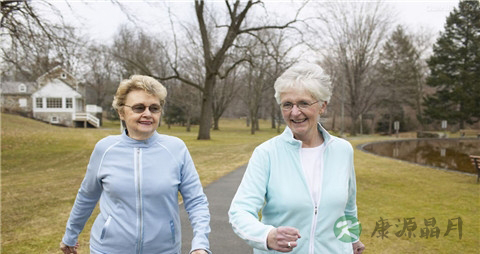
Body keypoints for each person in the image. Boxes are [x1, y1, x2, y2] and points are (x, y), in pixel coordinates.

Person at [60, 75, 211, 254]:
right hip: (108, 250)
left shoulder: (176, 149)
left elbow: (196, 201)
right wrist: (70, 235)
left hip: (164, 250)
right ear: (122, 112)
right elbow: (87, 196)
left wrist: (200, 244)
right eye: (139, 107)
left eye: (154, 108)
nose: (147, 114)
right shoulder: (105, 149)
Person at [228, 63, 365, 254]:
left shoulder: (343, 151)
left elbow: (348, 208)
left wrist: (352, 240)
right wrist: (267, 236)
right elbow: (240, 212)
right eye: (287, 104)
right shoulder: (266, 154)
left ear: (322, 106)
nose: (295, 112)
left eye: (303, 103)